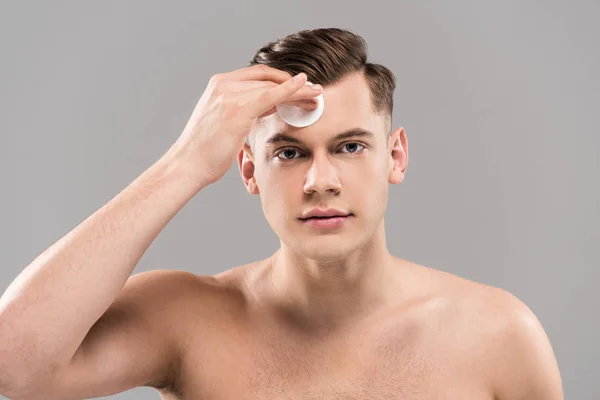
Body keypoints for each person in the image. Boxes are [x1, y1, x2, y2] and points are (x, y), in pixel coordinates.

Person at [0, 28, 563, 400]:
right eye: (289, 153)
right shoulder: (188, 320)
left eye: (349, 146)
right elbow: (13, 366)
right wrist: (186, 162)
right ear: (249, 170)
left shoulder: (498, 333)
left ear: (395, 156)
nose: (320, 182)